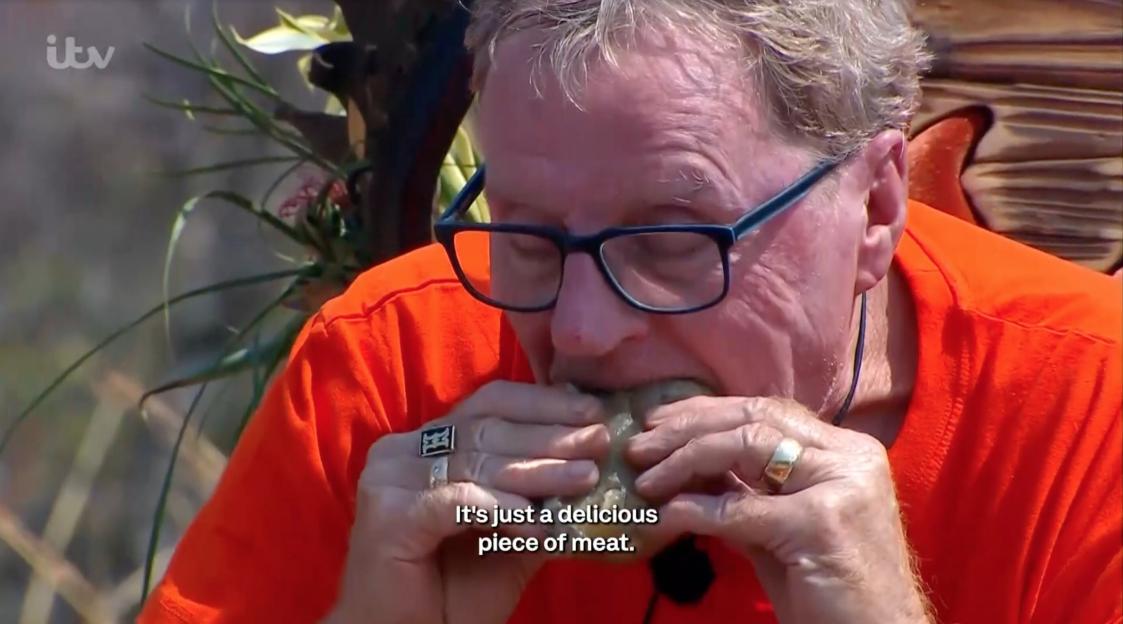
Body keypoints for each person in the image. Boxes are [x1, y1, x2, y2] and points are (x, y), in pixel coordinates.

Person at [139, 1, 1123, 622]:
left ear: (872, 208)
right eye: (527, 233)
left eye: (668, 241)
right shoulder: (392, 368)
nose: (577, 330)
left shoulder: (1091, 404)